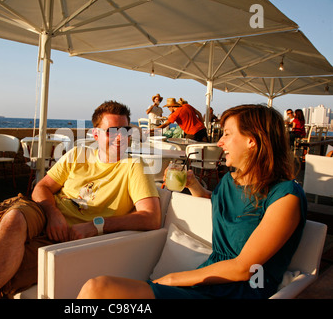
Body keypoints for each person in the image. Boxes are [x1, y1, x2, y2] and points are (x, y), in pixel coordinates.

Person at [78, 104, 307, 299]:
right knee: (97, 288)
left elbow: (243, 269)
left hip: (238, 291)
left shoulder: (286, 196)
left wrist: (170, 279)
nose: (220, 142)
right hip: (208, 280)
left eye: (227, 134)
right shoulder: (231, 181)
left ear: (252, 141)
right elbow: (220, 205)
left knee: (99, 289)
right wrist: (193, 186)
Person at [0, 100, 161, 298]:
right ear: (95, 134)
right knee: (13, 217)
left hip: (68, 238)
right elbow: (43, 187)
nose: (120, 137)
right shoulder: (78, 154)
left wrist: (96, 225)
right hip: (43, 213)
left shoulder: (134, 166)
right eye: (112, 131)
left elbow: (151, 217)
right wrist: (52, 213)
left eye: (125, 130)